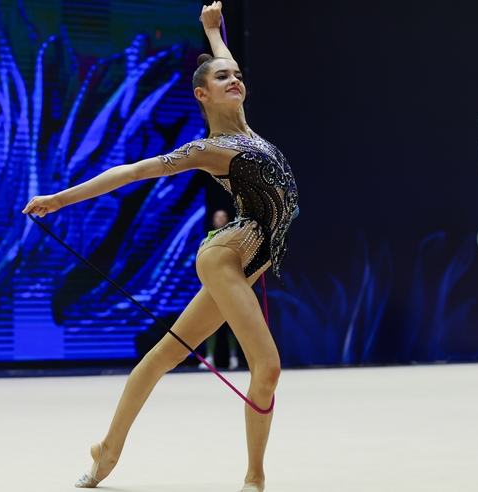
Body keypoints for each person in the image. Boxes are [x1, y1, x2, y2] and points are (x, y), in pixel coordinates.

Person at [22, 3, 298, 491]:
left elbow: (225, 63)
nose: (234, 79)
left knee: (161, 357)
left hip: (248, 261)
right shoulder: (208, 149)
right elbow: (132, 172)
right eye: (222, 78)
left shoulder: (248, 133)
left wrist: (213, 32)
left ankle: (107, 451)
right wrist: (59, 199)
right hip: (227, 256)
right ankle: (255, 479)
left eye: (237, 75)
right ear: (201, 94)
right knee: (268, 367)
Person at [200, 209, 242, 370]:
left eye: (223, 216)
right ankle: (209, 357)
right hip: (210, 289)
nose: (220, 219)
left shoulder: (233, 239)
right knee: (210, 324)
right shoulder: (206, 241)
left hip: (230, 288)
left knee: (233, 324)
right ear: (213, 221)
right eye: (217, 217)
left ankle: (234, 358)